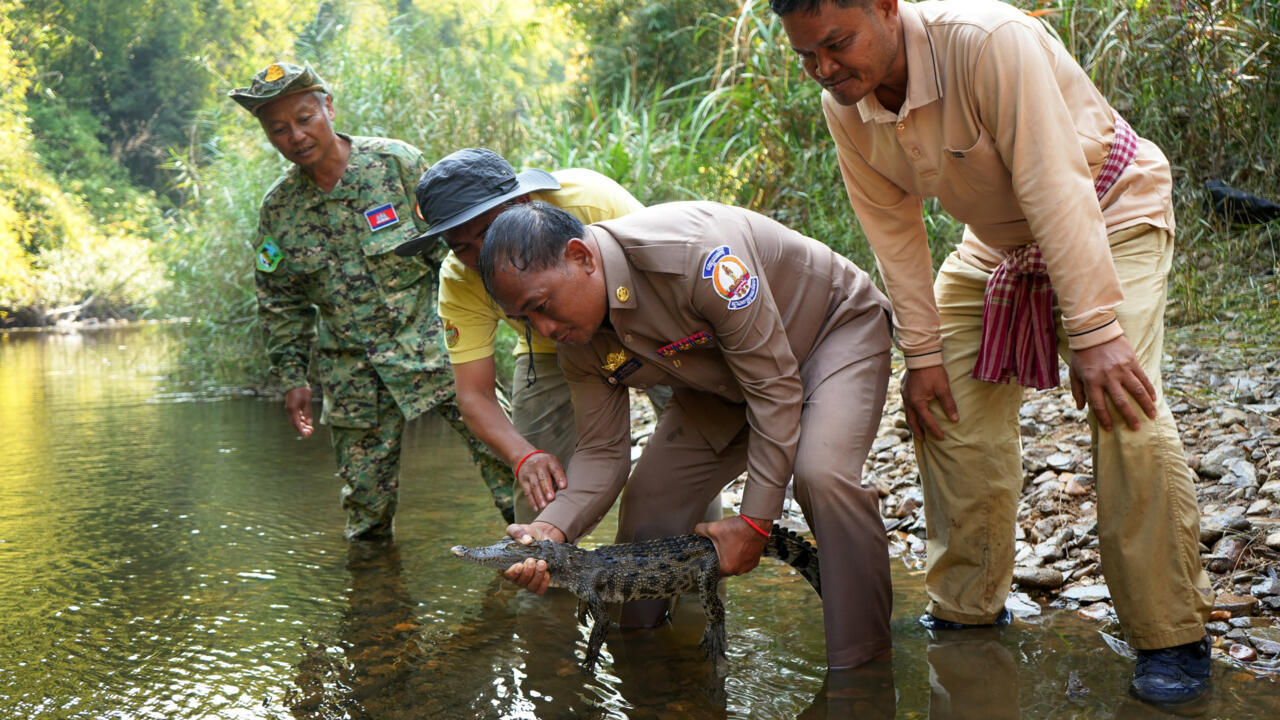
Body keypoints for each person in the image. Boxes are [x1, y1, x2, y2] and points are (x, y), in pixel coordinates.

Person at [769, 0, 1213, 704]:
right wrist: (919, 356)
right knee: (943, 403)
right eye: (806, 58)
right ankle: (968, 611)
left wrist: (1095, 332)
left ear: (886, 8)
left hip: (1107, 208)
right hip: (998, 245)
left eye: (837, 44)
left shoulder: (987, 41)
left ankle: (1173, 635)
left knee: (1125, 406)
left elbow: (1052, 181)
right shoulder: (845, 105)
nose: (825, 70)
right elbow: (894, 232)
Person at [478, 200, 896, 670]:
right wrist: (550, 531)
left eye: (542, 307)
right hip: (724, 385)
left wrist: (755, 522)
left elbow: (774, 389)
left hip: (828, 335)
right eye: (526, 320)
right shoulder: (578, 338)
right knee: (650, 501)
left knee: (821, 476)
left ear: (581, 257)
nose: (545, 329)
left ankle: (862, 672)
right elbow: (600, 450)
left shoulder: (696, 258)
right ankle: (642, 667)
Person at [229, 62, 515, 541]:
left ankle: (547, 550)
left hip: (437, 349)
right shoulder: (278, 210)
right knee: (365, 515)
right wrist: (292, 377)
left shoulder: (396, 165)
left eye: (304, 118)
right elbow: (279, 299)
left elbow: (458, 250)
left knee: (509, 456)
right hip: (352, 376)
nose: (295, 136)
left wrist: (505, 319)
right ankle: (375, 607)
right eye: (278, 129)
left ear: (329, 108)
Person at [393, 148, 645, 524]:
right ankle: (544, 568)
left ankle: (694, 578)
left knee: (685, 460)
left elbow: (666, 279)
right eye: (461, 247)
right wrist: (523, 456)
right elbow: (474, 394)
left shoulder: (592, 204)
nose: (482, 257)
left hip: (646, 326)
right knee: (539, 496)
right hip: (550, 350)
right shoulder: (460, 279)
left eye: (488, 232)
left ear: (522, 201)